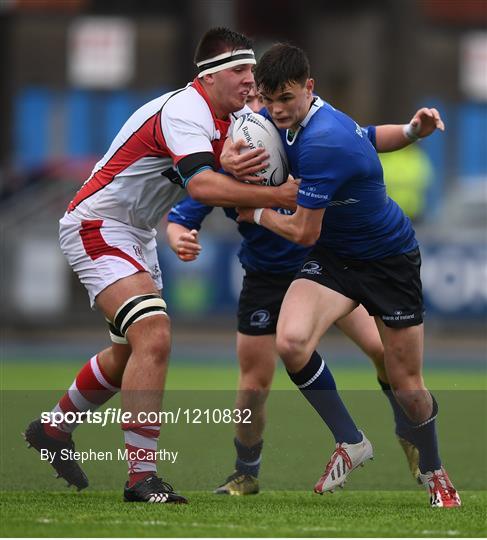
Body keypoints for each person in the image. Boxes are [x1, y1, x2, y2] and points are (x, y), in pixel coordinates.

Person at [22, 27, 298, 505]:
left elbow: (231, 166)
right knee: (154, 333)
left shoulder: (234, 120)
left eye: (252, 70)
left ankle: (53, 429)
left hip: (138, 232)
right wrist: (277, 195)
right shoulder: (185, 111)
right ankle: (140, 478)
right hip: (99, 223)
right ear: (208, 78)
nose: (250, 80)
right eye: (239, 70)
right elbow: (203, 189)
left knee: (130, 353)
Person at [165, 85, 421, 496]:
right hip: (265, 277)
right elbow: (183, 215)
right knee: (254, 385)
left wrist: (411, 130)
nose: (257, 114)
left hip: (322, 266)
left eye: (261, 104)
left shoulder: (304, 142)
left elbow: (368, 137)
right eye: (250, 107)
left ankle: (407, 427)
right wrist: (179, 237)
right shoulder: (229, 169)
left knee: (381, 350)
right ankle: (246, 472)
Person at [236, 43, 460, 508]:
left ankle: (437, 472)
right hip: (336, 258)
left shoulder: (322, 142)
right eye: (269, 99)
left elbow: (300, 232)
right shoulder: (303, 120)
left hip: (389, 260)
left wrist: (253, 213)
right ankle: (351, 441)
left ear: (309, 89)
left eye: (286, 98)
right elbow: (369, 135)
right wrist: (412, 131)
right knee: (292, 342)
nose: (276, 110)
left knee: (408, 385)